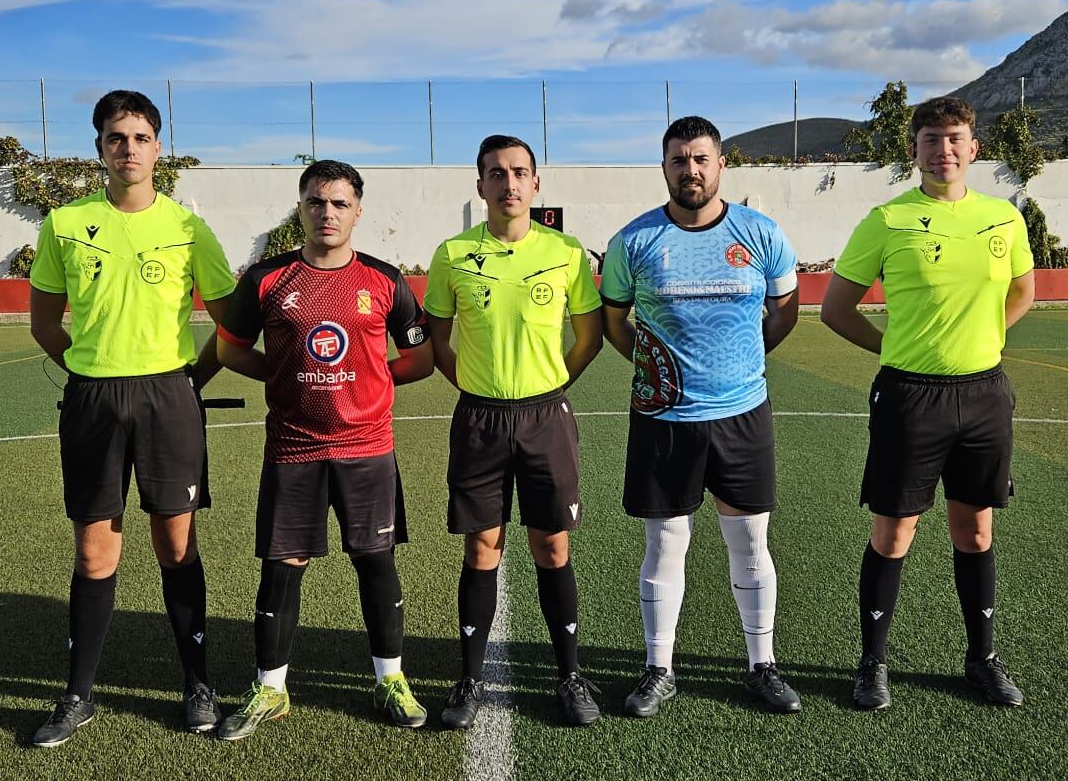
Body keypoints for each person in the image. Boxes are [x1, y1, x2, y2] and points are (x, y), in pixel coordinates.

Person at [26, 89, 238, 747]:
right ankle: (78, 694)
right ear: (99, 149)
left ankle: (197, 683)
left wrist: (186, 381)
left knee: (175, 543)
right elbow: (43, 325)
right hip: (94, 400)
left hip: (168, 399)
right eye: (116, 138)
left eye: (141, 137)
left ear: (158, 148)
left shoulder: (186, 227)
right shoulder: (63, 224)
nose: (129, 149)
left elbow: (232, 327)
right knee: (94, 553)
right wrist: (92, 371)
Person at [819, 95, 1036, 710]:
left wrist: (988, 338)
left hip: (985, 393)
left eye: (955, 138)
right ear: (912, 150)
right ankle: (872, 664)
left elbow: (1023, 289)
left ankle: (983, 658)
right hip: (911, 397)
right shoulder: (887, 220)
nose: (944, 149)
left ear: (973, 147)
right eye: (931, 139)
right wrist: (892, 348)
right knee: (894, 533)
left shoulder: (1003, 219)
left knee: (977, 529)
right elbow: (836, 309)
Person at [210, 160, 436, 737]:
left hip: (367, 445)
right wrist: (282, 376)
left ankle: (390, 679)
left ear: (358, 210)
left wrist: (372, 383)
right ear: (301, 209)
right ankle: (270, 688)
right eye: (316, 202)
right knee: (282, 567)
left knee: (375, 561)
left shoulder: (386, 281)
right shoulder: (265, 279)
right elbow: (231, 350)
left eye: (339, 203)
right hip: (294, 446)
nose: (327, 213)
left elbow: (421, 359)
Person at [598, 116, 802, 717]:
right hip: (664, 417)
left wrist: (745, 360)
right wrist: (656, 368)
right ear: (664, 167)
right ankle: (658, 669)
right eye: (679, 160)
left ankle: (760, 665)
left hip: (742, 412)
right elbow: (615, 323)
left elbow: (784, 308)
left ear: (720, 165)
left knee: (750, 540)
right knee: (665, 541)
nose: (691, 170)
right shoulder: (633, 241)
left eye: (701, 159)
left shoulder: (760, 232)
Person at [424, 134, 605, 728]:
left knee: (552, 545)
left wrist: (552, 386)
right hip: (479, 418)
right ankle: (470, 679)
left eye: (519, 172)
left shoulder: (567, 253)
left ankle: (569, 675)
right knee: (482, 548)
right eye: (495, 173)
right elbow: (438, 343)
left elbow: (588, 337)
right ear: (479, 186)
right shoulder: (451, 255)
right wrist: (475, 388)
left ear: (535, 184)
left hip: (546, 416)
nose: (508, 183)